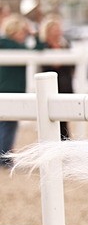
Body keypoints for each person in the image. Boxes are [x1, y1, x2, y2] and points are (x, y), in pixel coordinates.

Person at [0, 15, 33, 166]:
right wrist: (34, 35)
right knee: (9, 126)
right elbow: (36, 50)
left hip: (5, 88)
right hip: (11, 89)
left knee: (5, 126)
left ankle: (4, 156)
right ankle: (4, 158)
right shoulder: (13, 46)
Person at [36, 15, 74, 140]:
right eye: (54, 29)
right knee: (51, 118)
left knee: (64, 119)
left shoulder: (65, 44)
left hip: (65, 84)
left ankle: (65, 144)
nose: (57, 31)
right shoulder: (42, 46)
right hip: (50, 87)